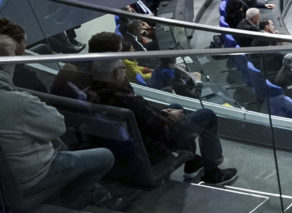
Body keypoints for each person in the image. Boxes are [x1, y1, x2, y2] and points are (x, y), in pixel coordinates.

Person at [63, 34, 239, 186]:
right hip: (153, 147)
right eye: (123, 69)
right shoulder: (125, 99)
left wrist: (167, 114)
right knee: (206, 115)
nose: (125, 71)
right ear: (116, 75)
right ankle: (212, 172)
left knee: (175, 107)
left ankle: (192, 163)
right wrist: (172, 118)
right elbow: (162, 128)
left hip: (136, 140)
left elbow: (147, 116)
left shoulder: (96, 90)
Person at [0, 38, 113, 205]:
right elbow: (59, 125)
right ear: (7, 65)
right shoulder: (18, 101)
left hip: (8, 180)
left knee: (58, 144)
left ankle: (96, 193)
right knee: (105, 156)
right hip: (31, 178)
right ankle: (76, 199)